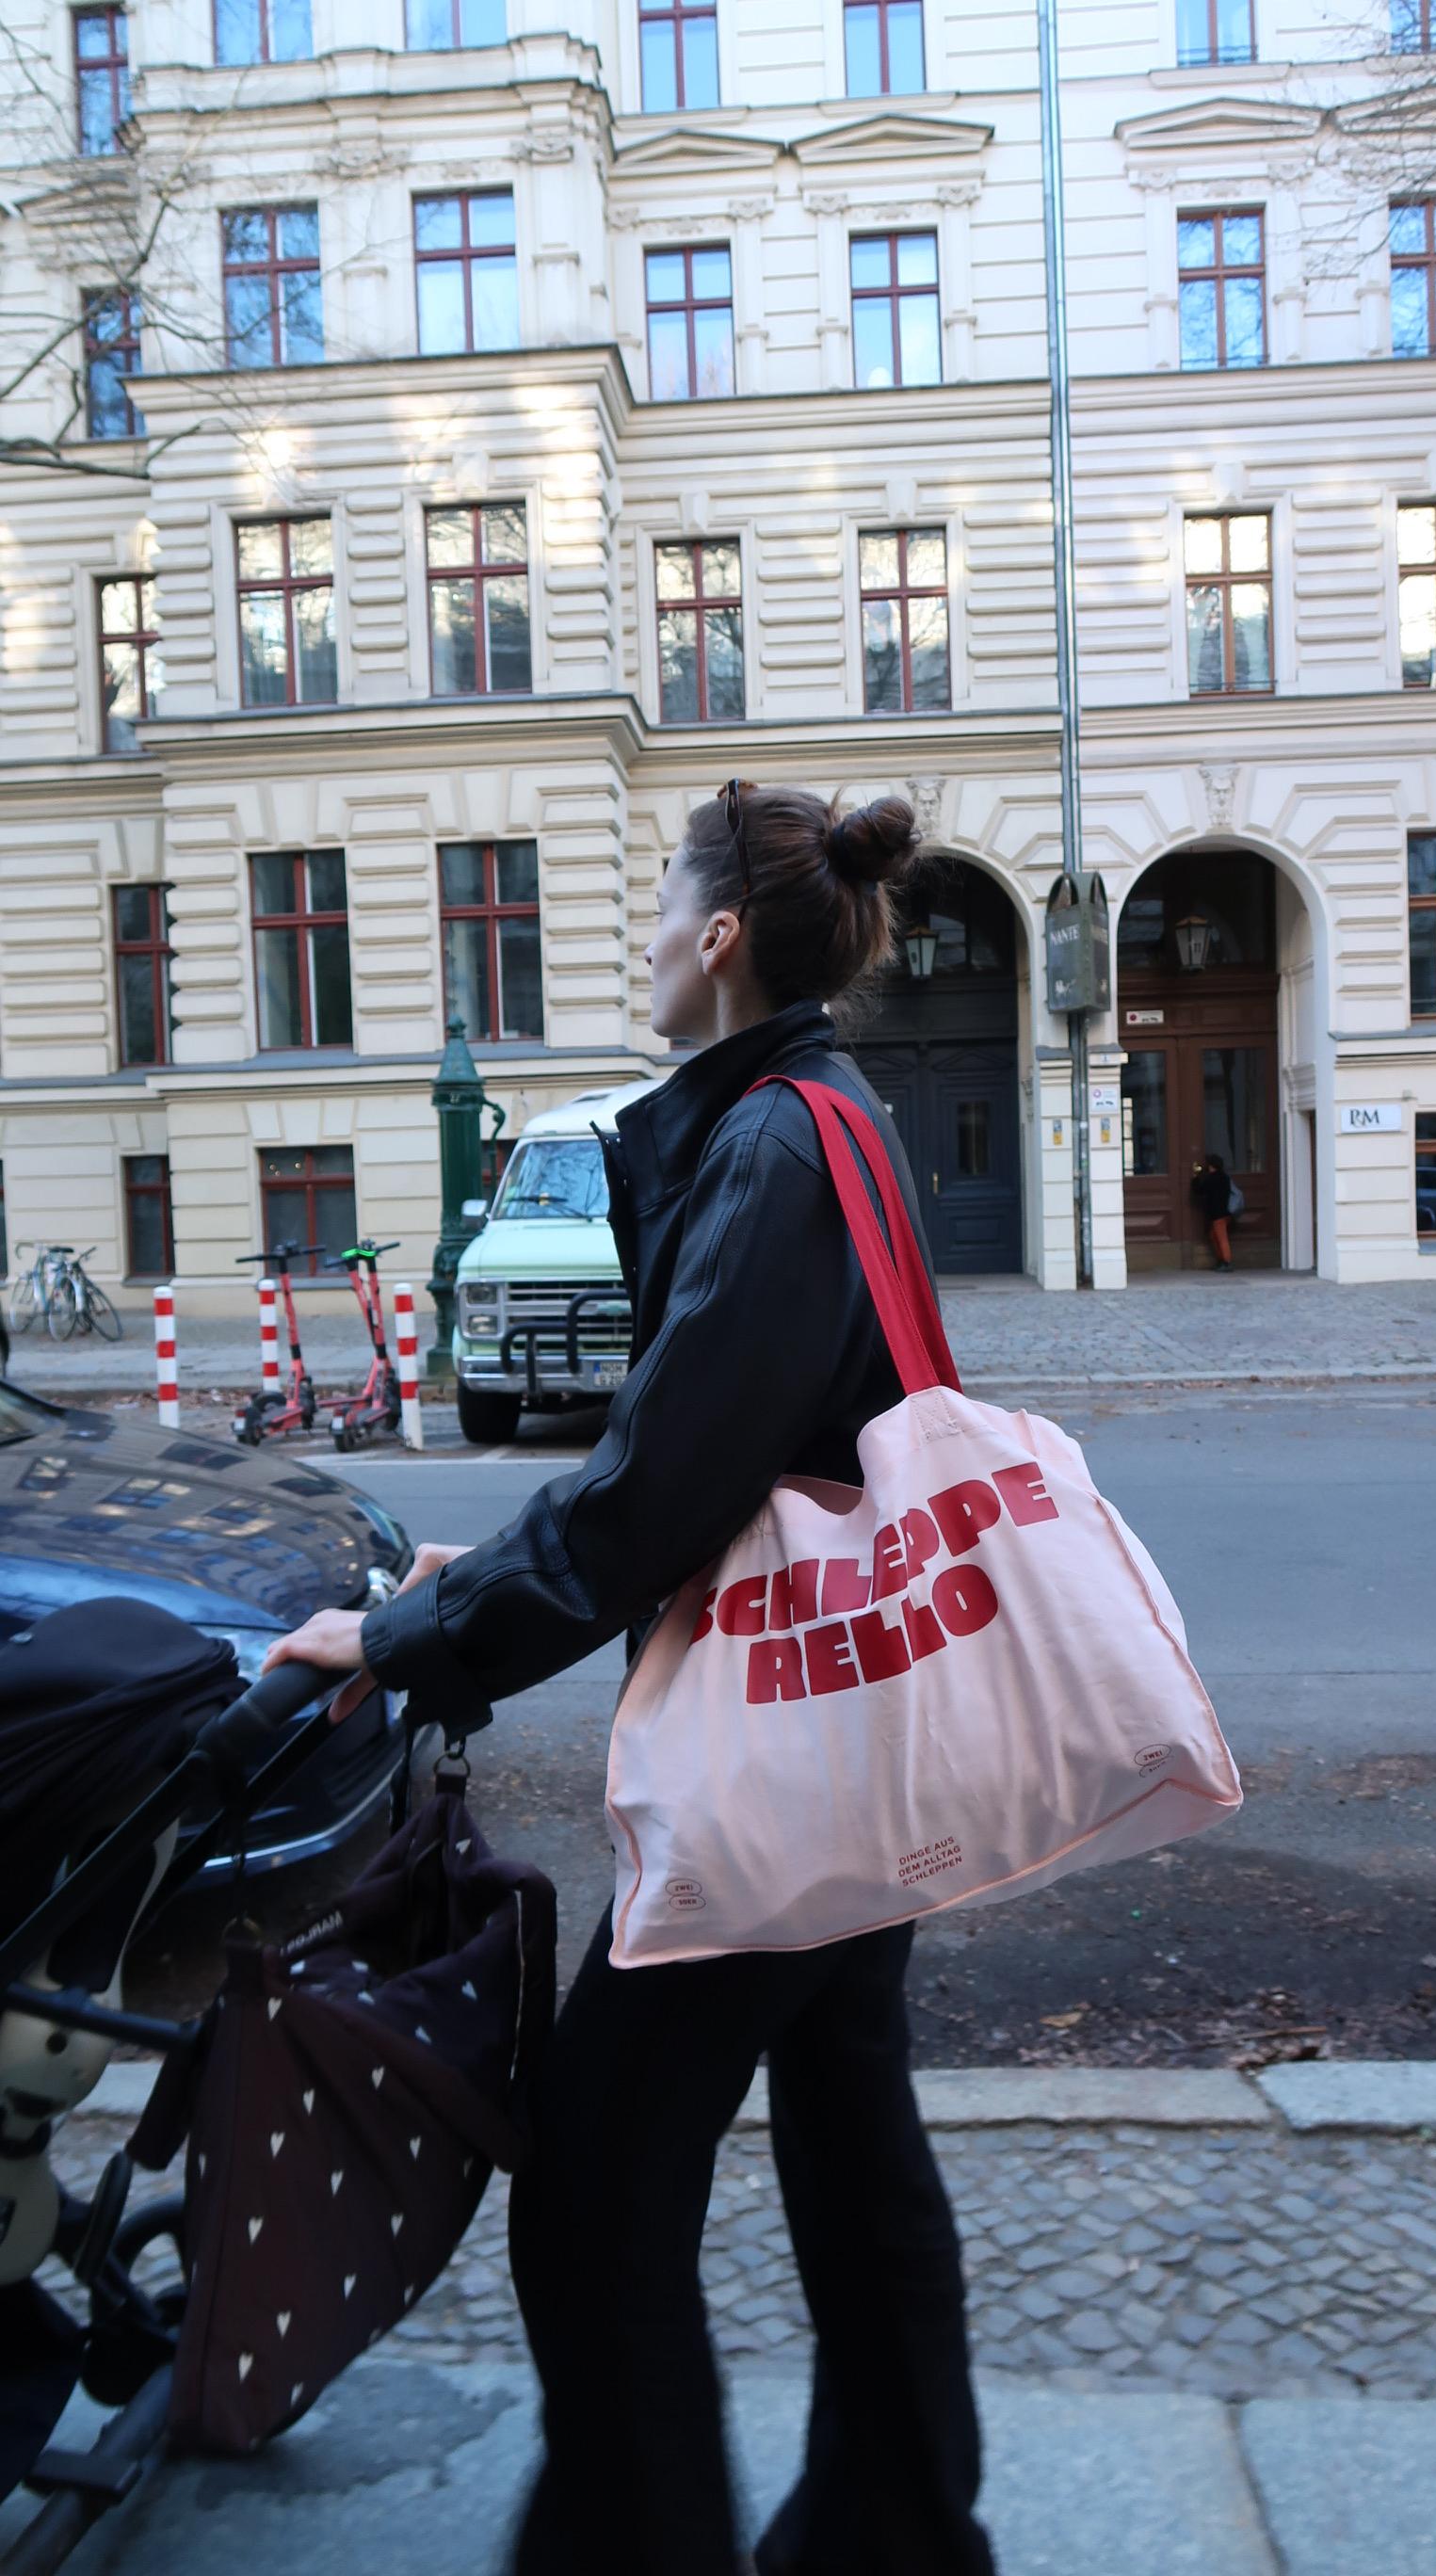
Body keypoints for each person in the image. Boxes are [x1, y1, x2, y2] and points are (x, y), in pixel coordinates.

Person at [263, 781, 998, 2576]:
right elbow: (718, 1460)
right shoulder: (836, 1118)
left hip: (796, 1758)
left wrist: (410, 1637)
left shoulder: (764, 1143)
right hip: (858, 1717)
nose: (649, 936)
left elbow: (664, 1488)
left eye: (664, 902)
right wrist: (483, 1561)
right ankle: (900, 2530)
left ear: (722, 935)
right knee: (846, 2132)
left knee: (590, 2181)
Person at [1191, 1151, 1235, 1270]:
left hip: (1217, 1214)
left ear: (1211, 1165)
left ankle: (1226, 1262)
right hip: (1225, 1212)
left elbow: (1199, 1191)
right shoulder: (1224, 1177)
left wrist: (1196, 1177)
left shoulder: (1212, 1178)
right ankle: (1222, 1260)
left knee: (1221, 1238)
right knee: (1214, 1236)